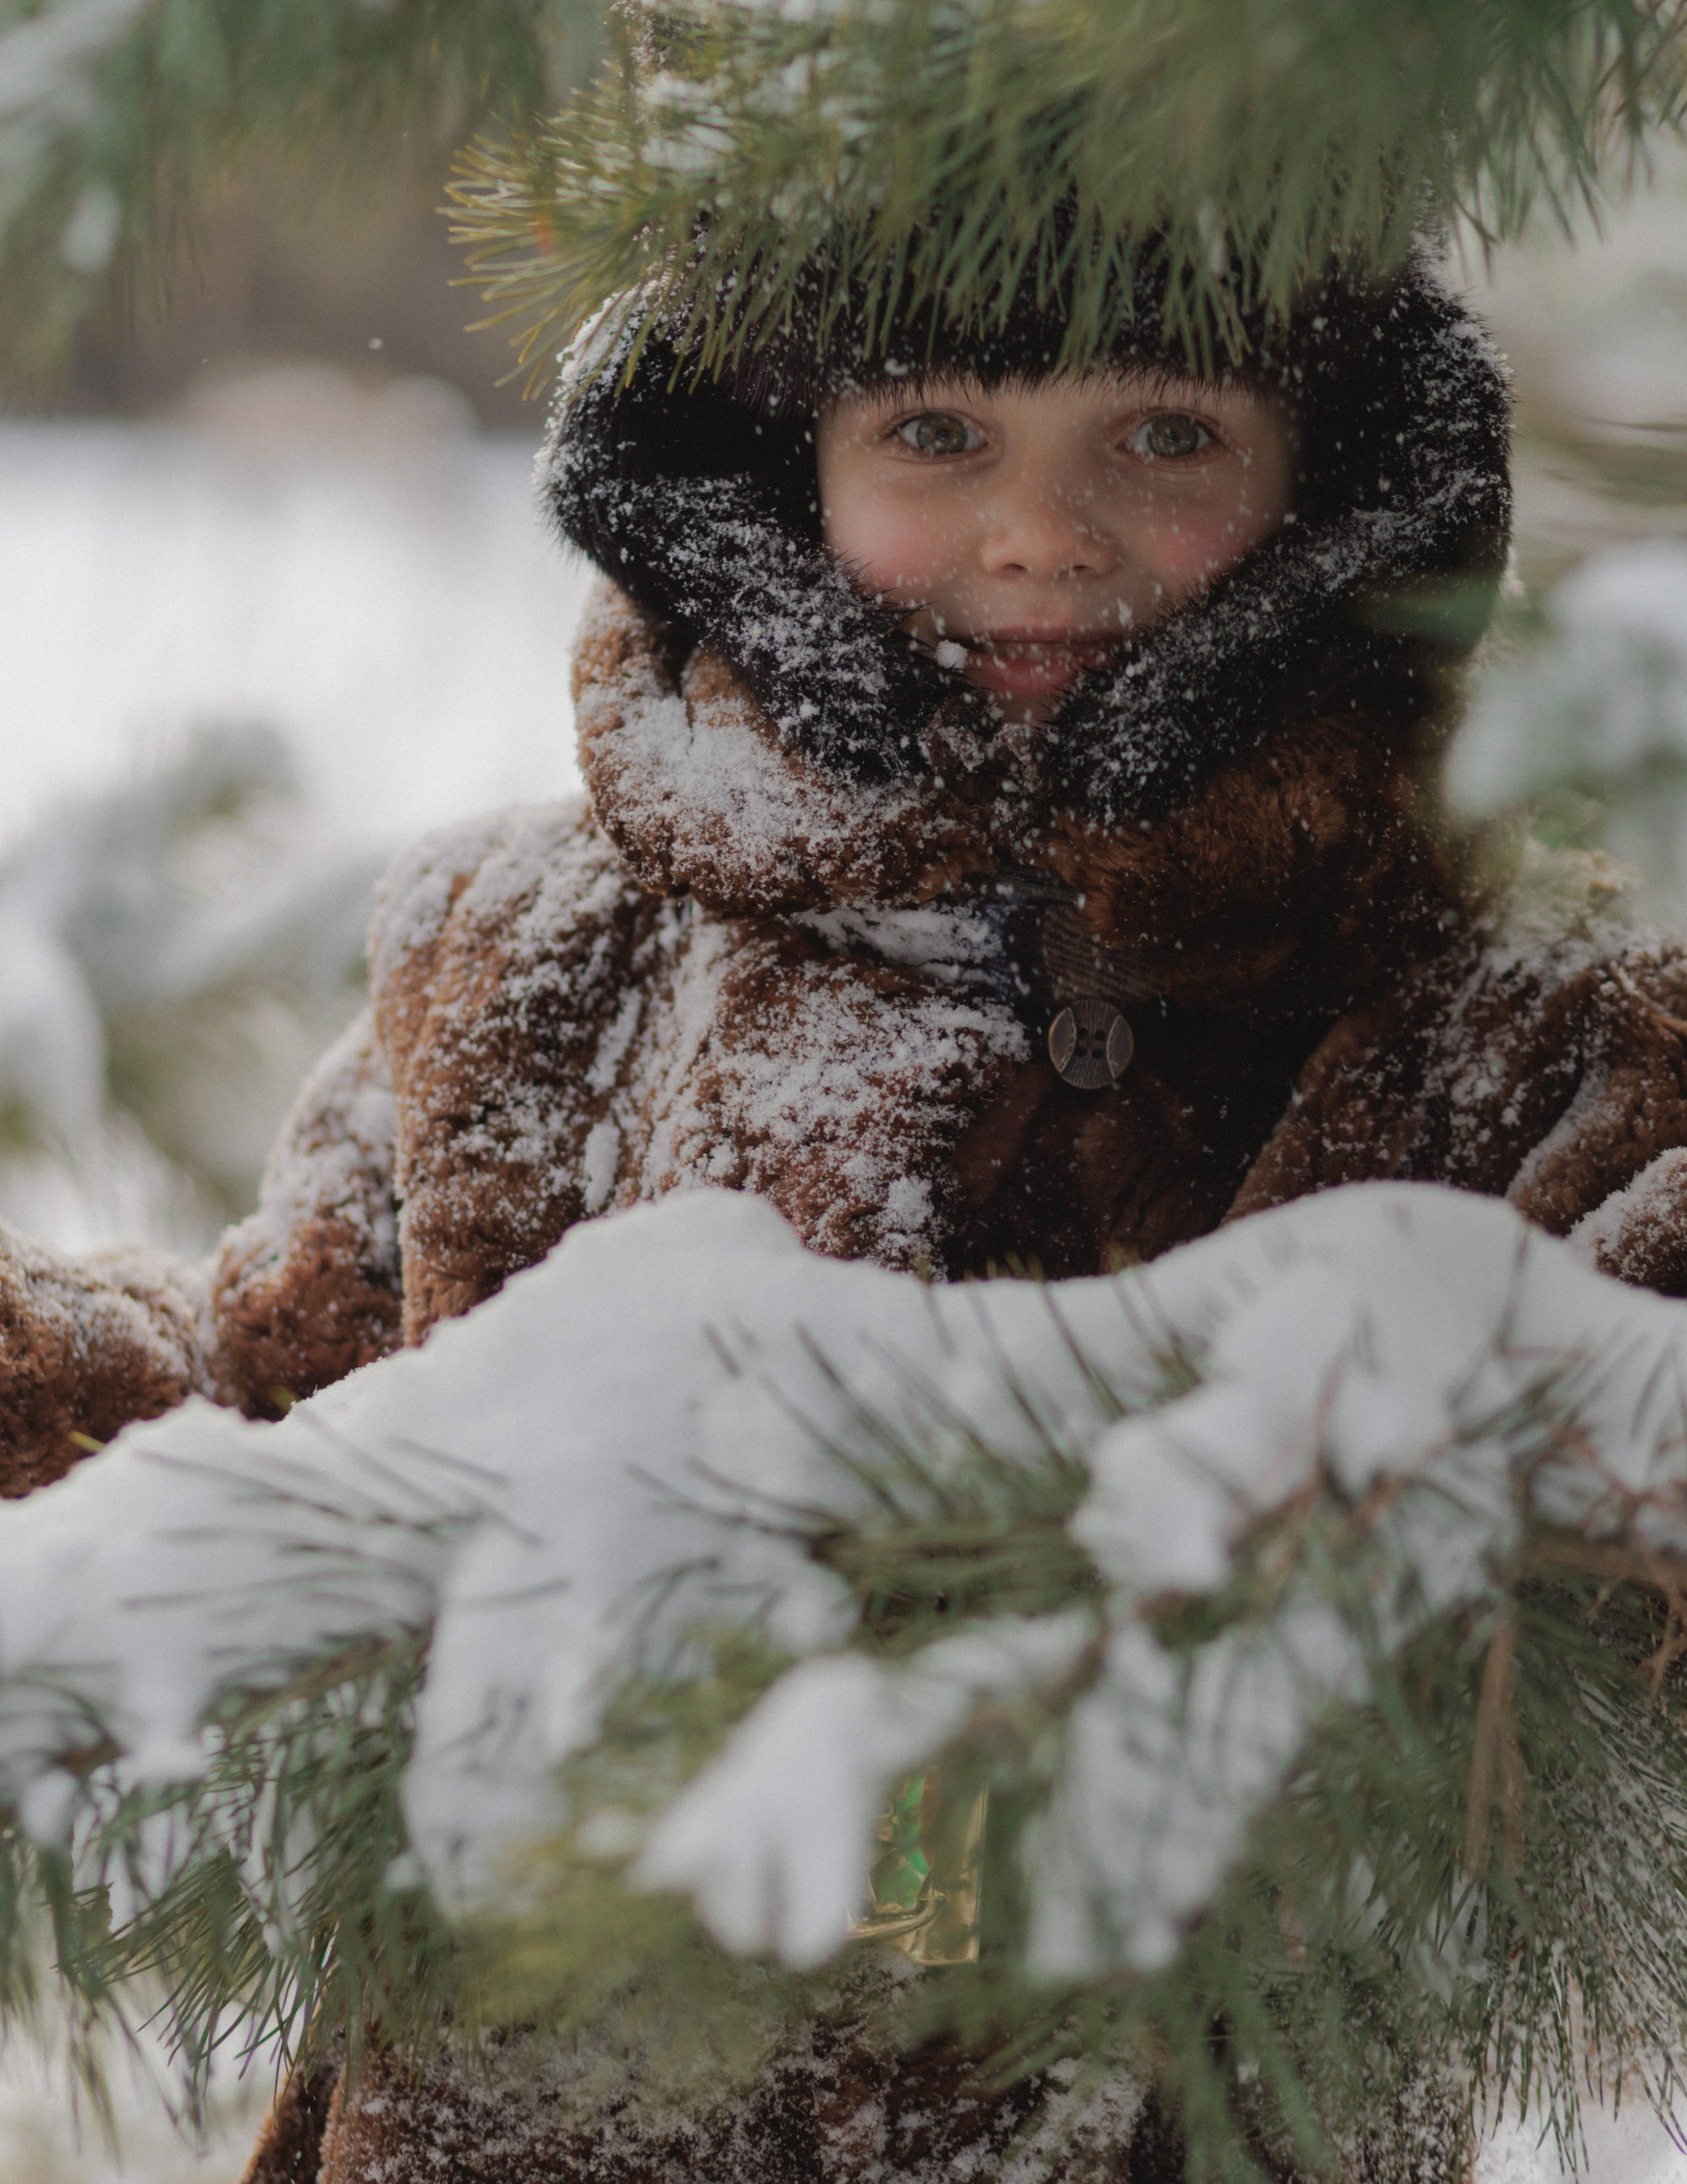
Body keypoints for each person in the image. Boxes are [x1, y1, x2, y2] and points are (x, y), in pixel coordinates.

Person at [5, 237, 1687, 2184]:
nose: (1046, 531)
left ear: (1329, 483)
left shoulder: (1506, 1024)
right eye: (938, 431)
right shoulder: (533, 965)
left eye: (1164, 432)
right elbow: (275, 1423)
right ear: (776, 471)